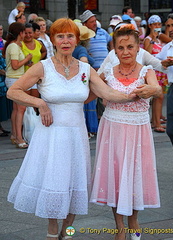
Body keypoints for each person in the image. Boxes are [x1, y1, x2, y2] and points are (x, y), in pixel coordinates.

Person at [7, 18, 138, 240]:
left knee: (75, 182)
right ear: (53, 40)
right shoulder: (43, 67)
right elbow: (14, 91)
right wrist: (40, 104)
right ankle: (51, 233)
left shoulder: (86, 69)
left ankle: (67, 233)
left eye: (70, 36)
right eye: (60, 36)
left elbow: (106, 93)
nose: (66, 41)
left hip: (77, 136)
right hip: (51, 135)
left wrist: (133, 94)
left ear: (77, 40)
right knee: (54, 181)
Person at [90, 24, 161, 240]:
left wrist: (154, 89)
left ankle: (134, 220)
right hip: (112, 130)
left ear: (138, 47)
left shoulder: (147, 72)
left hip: (138, 133)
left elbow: (156, 88)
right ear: (114, 49)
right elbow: (89, 90)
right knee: (116, 176)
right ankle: (119, 225)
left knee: (135, 176)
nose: (126, 52)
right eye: (120, 48)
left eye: (130, 46)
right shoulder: (108, 73)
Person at [156, 12, 173, 181]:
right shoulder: (167, 47)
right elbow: (155, 61)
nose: (170, 29)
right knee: (172, 131)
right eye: (168, 26)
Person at [3, 22, 32, 148]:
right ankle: (20, 138)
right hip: (15, 79)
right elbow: (15, 66)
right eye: (24, 32)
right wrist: (27, 59)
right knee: (21, 109)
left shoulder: (13, 45)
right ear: (20, 33)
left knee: (16, 109)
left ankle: (15, 135)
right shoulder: (14, 46)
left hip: (13, 79)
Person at [73, 24, 98, 138]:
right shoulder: (82, 49)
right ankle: (88, 129)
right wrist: (85, 74)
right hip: (82, 80)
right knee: (88, 104)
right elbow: (84, 61)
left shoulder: (75, 49)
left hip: (74, 80)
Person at [144, 15, 168, 133]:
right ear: (150, 26)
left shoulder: (161, 38)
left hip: (161, 70)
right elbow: (147, 53)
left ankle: (156, 120)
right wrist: (153, 39)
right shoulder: (148, 38)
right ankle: (157, 123)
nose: (157, 27)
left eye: (159, 24)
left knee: (159, 97)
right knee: (158, 96)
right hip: (153, 71)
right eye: (155, 25)